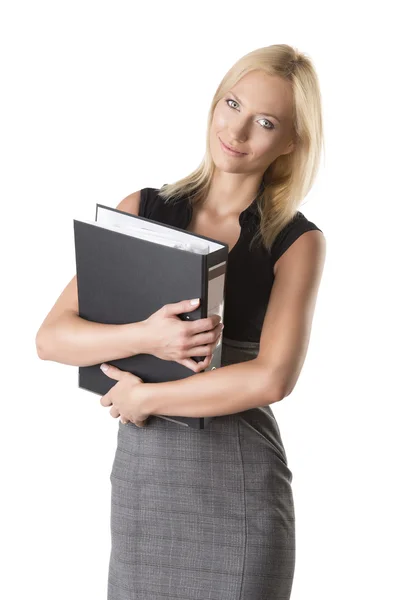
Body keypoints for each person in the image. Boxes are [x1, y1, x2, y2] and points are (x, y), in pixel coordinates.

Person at [36, 43, 326, 600]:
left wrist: (147, 399)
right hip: (143, 483)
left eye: (263, 122)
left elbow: (272, 379)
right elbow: (52, 339)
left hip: (237, 484)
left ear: (290, 142)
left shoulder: (296, 241)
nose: (236, 132)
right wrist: (150, 337)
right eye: (231, 104)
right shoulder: (142, 209)